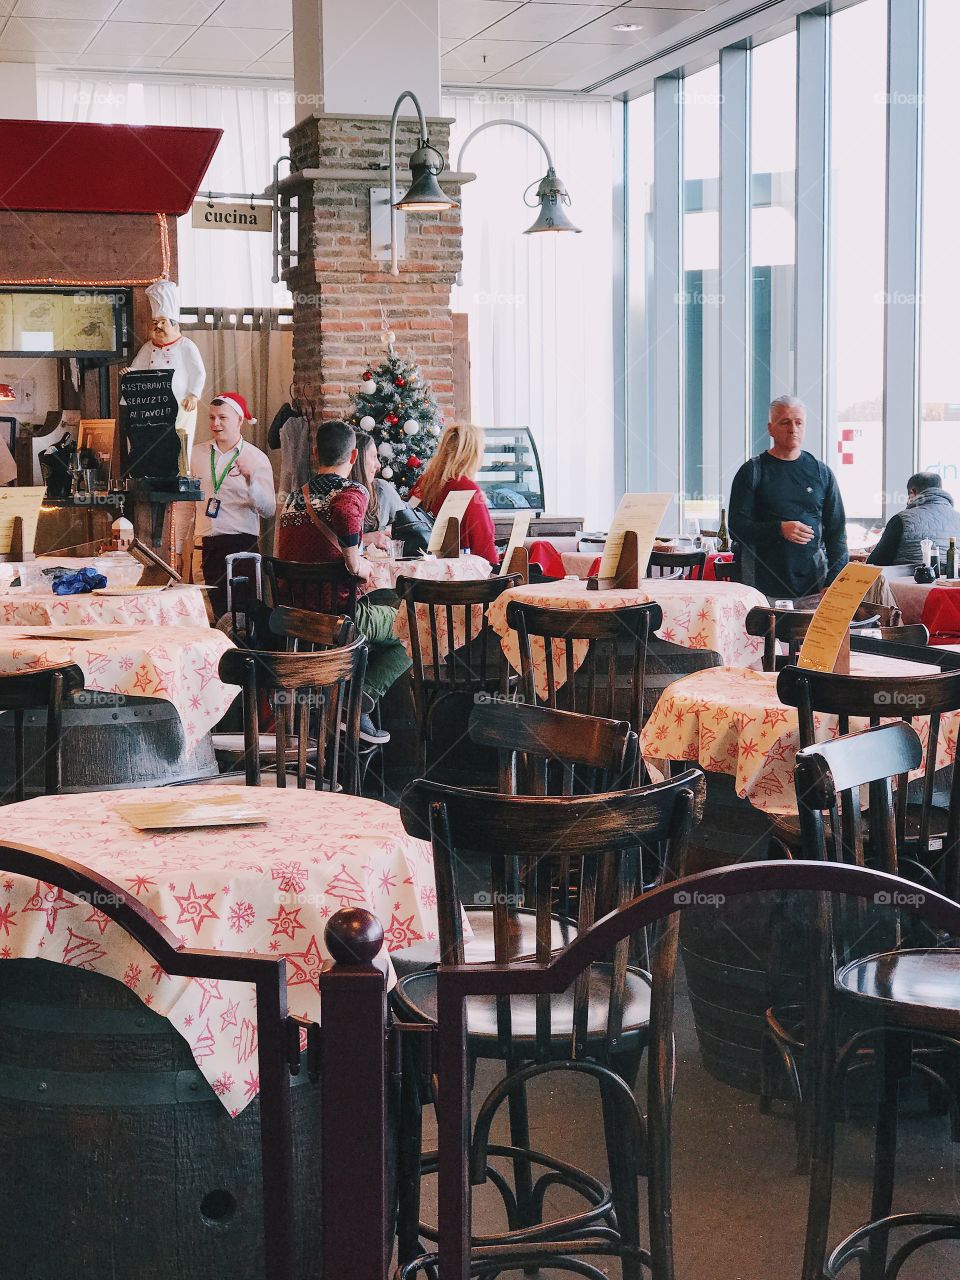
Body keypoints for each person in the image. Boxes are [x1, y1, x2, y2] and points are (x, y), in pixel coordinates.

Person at [275, 421, 412, 746]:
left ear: (314, 452)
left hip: (294, 618)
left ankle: (337, 703)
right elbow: (347, 518)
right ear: (353, 454)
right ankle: (355, 701)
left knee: (386, 615)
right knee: (415, 629)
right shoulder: (353, 491)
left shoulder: (296, 496)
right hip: (335, 617)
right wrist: (357, 561)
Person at [728, 396, 848, 601]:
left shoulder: (821, 473)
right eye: (785, 422)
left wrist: (833, 582)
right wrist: (779, 529)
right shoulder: (752, 471)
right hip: (760, 590)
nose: (793, 428)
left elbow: (837, 534)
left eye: (798, 422)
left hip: (814, 588)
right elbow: (736, 528)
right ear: (770, 428)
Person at [173, 393, 276, 619]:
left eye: (222, 417)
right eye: (211, 418)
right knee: (207, 616)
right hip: (204, 547)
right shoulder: (197, 454)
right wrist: (178, 548)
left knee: (242, 619)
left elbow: (268, 510)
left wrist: (251, 482)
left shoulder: (256, 458)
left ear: (239, 420)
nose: (215, 424)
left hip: (241, 548)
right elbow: (185, 506)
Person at [127, 280, 206, 457]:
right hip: (153, 406)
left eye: (163, 322)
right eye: (155, 322)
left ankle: (180, 474)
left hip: (180, 404)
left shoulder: (186, 345)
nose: (158, 326)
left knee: (179, 442)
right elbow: (136, 369)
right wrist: (129, 374)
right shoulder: (149, 347)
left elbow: (199, 372)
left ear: (174, 324)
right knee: (154, 445)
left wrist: (194, 394)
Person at [409, 422, 497, 566]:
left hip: (427, 569)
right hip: (466, 573)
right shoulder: (467, 488)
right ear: (473, 454)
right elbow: (483, 543)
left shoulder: (424, 482)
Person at [867, 472, 960, 566]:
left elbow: (876, 562)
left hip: (906, 579)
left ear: (912, 492)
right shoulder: (958, 518)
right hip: (952, 579)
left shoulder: (902, 519)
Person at [351, 430, 411, 546]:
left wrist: (389, 531)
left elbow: (408, 524)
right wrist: (365, 539)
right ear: (358, 459)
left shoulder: (381, 489)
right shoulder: (338, 493)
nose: (378, 465)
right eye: (373, 457)